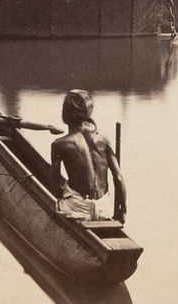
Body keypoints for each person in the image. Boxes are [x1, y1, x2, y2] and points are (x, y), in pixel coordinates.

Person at [50, 90, 126, 223]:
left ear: (65, 115)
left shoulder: (59, 144)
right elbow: (119, 179)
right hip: (104, 209)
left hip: (78, 210)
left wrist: (65, 194)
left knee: (55, 203)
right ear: (88, 113)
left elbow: (55, 186)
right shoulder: (103, 138)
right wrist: (122, 212)